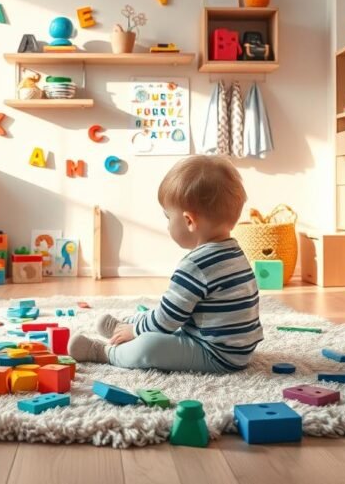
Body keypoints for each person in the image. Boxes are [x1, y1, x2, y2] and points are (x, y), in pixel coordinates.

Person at [68, 155, 262, 373]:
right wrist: (138, 326)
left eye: (168, 217)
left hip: (216, 354)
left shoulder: (195, 265)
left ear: (189, 221)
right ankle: (125, 326)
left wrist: (137, 333)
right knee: (158, 315)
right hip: (235, 348)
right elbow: (173, 312)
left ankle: (104, 352)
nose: (168, 224)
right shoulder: (235, 251)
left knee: (151, 345)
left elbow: (168, 320)